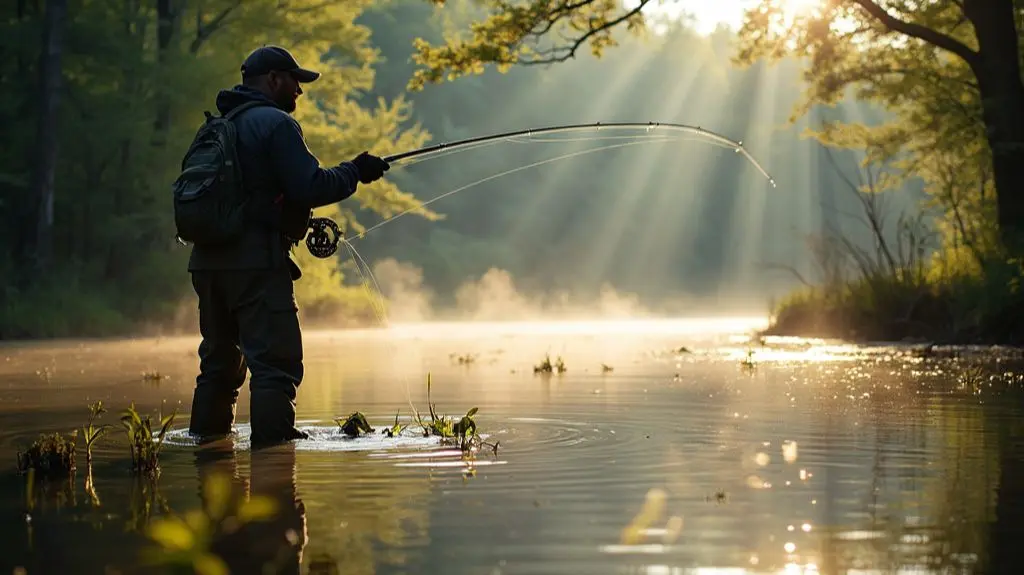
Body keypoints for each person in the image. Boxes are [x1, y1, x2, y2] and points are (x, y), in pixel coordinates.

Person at [185, 45, 390, 446]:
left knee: (219, 366)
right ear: (273, 80)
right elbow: (309, 185)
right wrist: (356, 170)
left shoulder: (215, 127)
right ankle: (273, 465)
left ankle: (205, 457)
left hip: (207, 266)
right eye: (294, 80)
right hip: (256, 267)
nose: (299, 89)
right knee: (274, 367)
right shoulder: (274, 124)